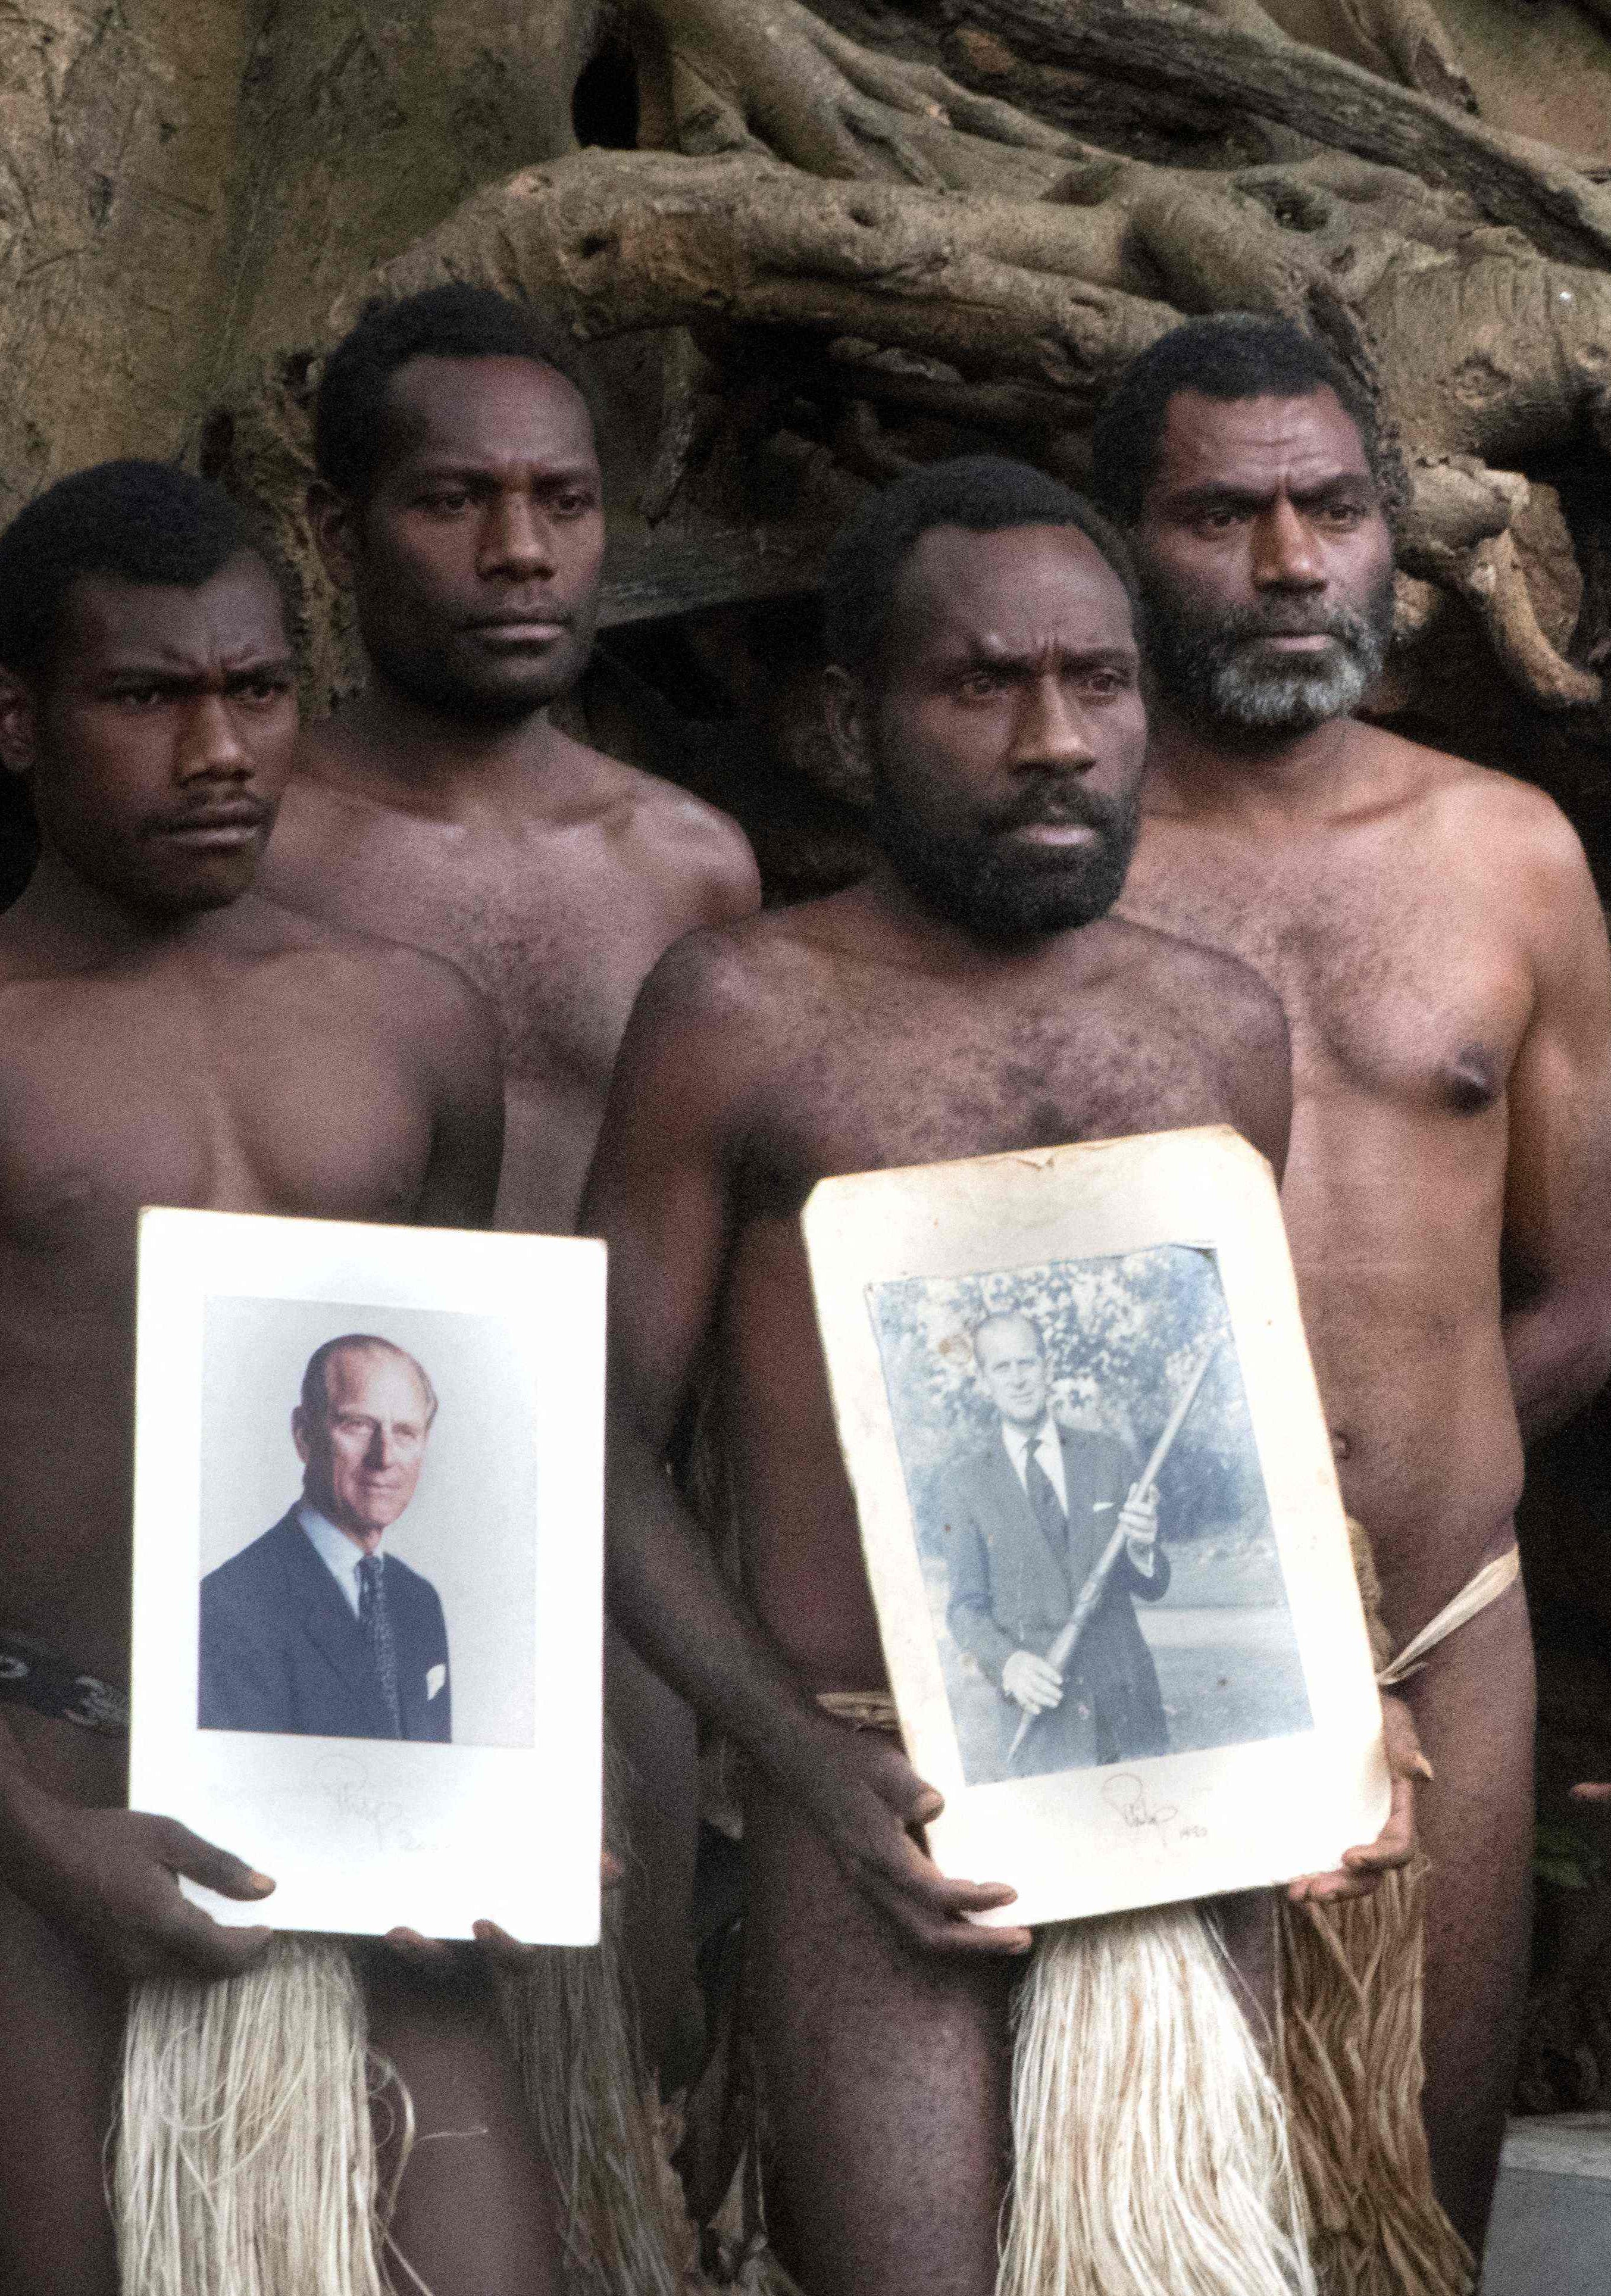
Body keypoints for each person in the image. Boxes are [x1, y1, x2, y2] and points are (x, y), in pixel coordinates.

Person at [579, 455, 1416, 2292]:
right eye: (983, 685)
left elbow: (1231, 1437)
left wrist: (1334, 1709)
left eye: (1097, 682)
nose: (1055, 741)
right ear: (847, 720)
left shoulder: (1216, 1026)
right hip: (881, 1797)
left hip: (1189, 1782)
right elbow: (590, 1442)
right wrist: (801, 1758)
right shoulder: (740, 1017)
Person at [0, 461, 581, 2293]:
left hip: (363, 1781)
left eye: (255, 691)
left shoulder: (412, 1020)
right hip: (51, 1783)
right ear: (14, 719)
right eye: (146, 697)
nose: (218, 752)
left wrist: (505, 1798)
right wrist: (39, 1839)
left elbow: (467, 1441)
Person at [1096, 312, 1611, 2239]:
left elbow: (1576, 1305)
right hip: (1114, 1644)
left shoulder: (1508, 855)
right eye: (1219, 515)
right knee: (1146, 2206)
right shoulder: (1057, 864)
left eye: (1330, 508)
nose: (1286, 562)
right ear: (1120, 541)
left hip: (1440, 1629)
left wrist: (1386, 1515)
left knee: (1415, 2194)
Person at [258, 282, 762, 2059]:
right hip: (303, 1577)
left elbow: (733, 1294)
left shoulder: (690, 866)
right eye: (454, 500)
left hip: (620, 1586)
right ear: (337, 533)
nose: (521, 550)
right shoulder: (249, 841)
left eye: (563, 501)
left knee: (605, 2107)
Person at [935, 1309, 1169, 1775]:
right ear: (984, 1380)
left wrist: (1143, 1548)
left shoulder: (1108, 1455)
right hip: (1044, 1722)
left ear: (1048, 1367)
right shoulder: (963, 1483)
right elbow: (964, 1608)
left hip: (1129, 1712)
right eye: (1002, 1367)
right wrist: (1008, 1664)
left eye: (1027, 1362)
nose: (1018, 1378)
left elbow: (1152, 1583)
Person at [199, 1336, 454, 1743]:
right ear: (304, 1435)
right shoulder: (229, 1606)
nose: (385, 1457)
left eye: (406, 1432)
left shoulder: (419, 1601)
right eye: (358, 1425)